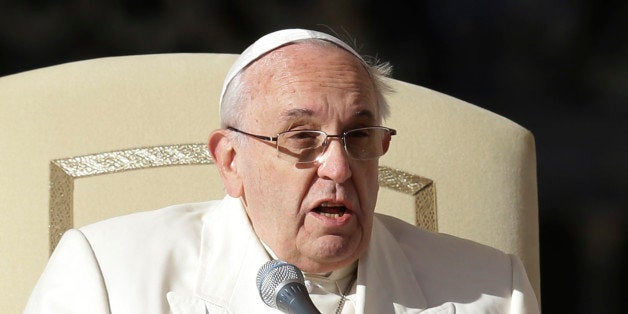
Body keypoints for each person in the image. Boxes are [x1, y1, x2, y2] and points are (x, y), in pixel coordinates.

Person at [24, 28, 540, 313]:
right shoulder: (108, 276)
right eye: (301, 139)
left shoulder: (493, 290)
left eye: (358, 136)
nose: (337, 167)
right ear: (231, 161)